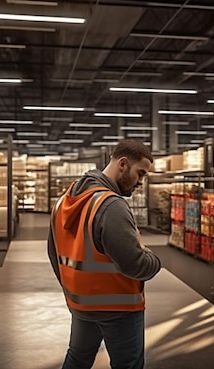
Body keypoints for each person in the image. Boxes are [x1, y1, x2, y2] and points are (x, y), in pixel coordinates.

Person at [47, 139, 162, 369]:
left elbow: (54, 253)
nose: (141, 181)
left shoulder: (65, 200)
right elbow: (135, 264)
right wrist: (155, 260)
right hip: (119, 308)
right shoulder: (110, 206)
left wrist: (75, 289)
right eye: (140, 173)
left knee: (78, 358)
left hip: (80, 304)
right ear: (122, 164)